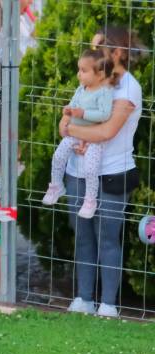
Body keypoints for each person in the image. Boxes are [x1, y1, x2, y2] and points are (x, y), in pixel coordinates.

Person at [60, 26, 145, 318]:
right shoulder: (88, 82)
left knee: (107, 238)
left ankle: (108, 303)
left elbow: (109, 130)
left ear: (118, 53)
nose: (94, 55)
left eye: (100, 49)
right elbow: (66, 117)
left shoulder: (128, 87)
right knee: (82, 235)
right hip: (77, 171)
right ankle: (83, 298)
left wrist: (75, 132)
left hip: (111, 174)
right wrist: (74, 133)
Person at [41, 48, 116, 220]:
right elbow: (73, 104)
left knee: (91, 168)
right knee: (59, 156)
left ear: (100, 74)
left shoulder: (104, 92)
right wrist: (67, 112)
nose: (78, 74)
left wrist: (83, 114)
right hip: (74, 134)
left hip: (93, 138)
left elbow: (104, 114)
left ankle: (90, 200)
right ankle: (56, 185)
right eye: (79, 69)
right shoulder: (81, 89)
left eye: (83, 70)